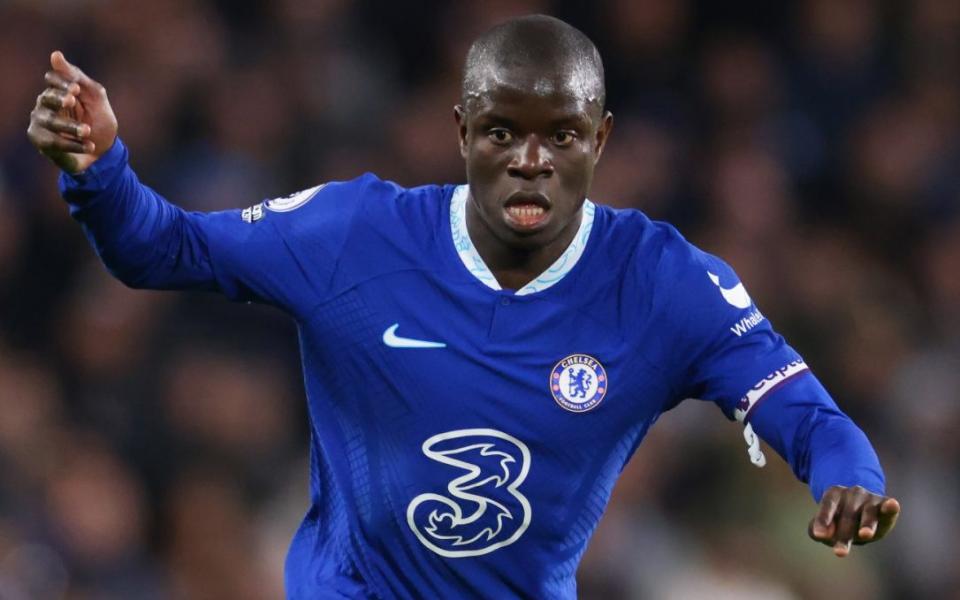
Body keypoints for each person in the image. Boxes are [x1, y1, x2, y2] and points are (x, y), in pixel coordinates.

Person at [28, 14, 899, 600]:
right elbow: (162, 247)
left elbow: (805, 413)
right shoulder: (356, 235)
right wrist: (100, 171)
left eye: (559, 134)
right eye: (500, 132)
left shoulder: (663, 283)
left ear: (599, 139)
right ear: (460, 131)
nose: (529, 159)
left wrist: (850, 479)